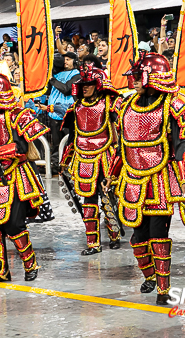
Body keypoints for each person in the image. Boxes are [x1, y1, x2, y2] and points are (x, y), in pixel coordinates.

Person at [104, 52, 185, 305]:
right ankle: (150, 276)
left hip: (161, 180)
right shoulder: (124, 106)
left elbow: (182, 145)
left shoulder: (174, 105)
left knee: (159, 235)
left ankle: (164, 289)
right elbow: (123, 147)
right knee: (137, 238)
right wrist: (112, 175)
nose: (132, 80)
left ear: (152, 77)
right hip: (132, 180)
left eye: (137, 76)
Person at [0, 72, 48, 283]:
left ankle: (31, 264)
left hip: (16, 177)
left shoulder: (16, 115)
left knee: (14, 225)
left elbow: (21, 148)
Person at [60, 66, 123, 255]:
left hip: (105, 155)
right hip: (82, 157)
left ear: (98, 84)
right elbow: (72, 135)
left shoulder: (110, 103)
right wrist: (65, 160)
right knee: (88, 201)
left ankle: (115, 235)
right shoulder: (75, 107)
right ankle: (92, 243)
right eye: (83, 85)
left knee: (108, 198)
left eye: (89, 84)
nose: (85, 88)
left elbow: (121, 129)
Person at [38, 52, 80, 170]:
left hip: (68, 113)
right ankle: (55, 165)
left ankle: (67, 165)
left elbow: (66, 89)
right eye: (64, 59)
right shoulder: (57, 74)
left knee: (67, 141)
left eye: (68, 59)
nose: (65, 61)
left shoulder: (77, 74)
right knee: (56, 143)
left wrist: (51, 79)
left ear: (75, 61)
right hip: (52, 113)